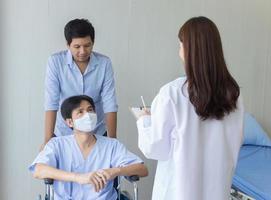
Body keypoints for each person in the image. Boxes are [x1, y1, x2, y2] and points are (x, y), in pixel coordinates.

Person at [136, 16, 244, 200]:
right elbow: (235, 143)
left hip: (177, 193)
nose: (179, 51)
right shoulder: (234, 95)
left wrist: (145, 120)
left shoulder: (172, 93)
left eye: (180, 45)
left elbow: (155, 148)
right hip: (216, 192)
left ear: (189, 49)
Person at [30, 95, 148, 199]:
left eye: (90, 110)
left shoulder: (111, 145)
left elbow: (142, 169)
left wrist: (116, 171)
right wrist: (78, 177)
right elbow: (38, 170)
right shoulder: (56, 144)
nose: (88, 115)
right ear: (70, 122)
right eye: (80, 112)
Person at [43, 18, 118, 148]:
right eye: (77, 47)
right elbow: (51, 102)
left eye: (87, 45)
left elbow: (110, 103)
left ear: (93, 43)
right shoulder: (55, 62)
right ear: (68, 45)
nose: (83, 51)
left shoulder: (104, 63)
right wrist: (47, 140)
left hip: (97, 132)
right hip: (65, 133)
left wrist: (113, 141)